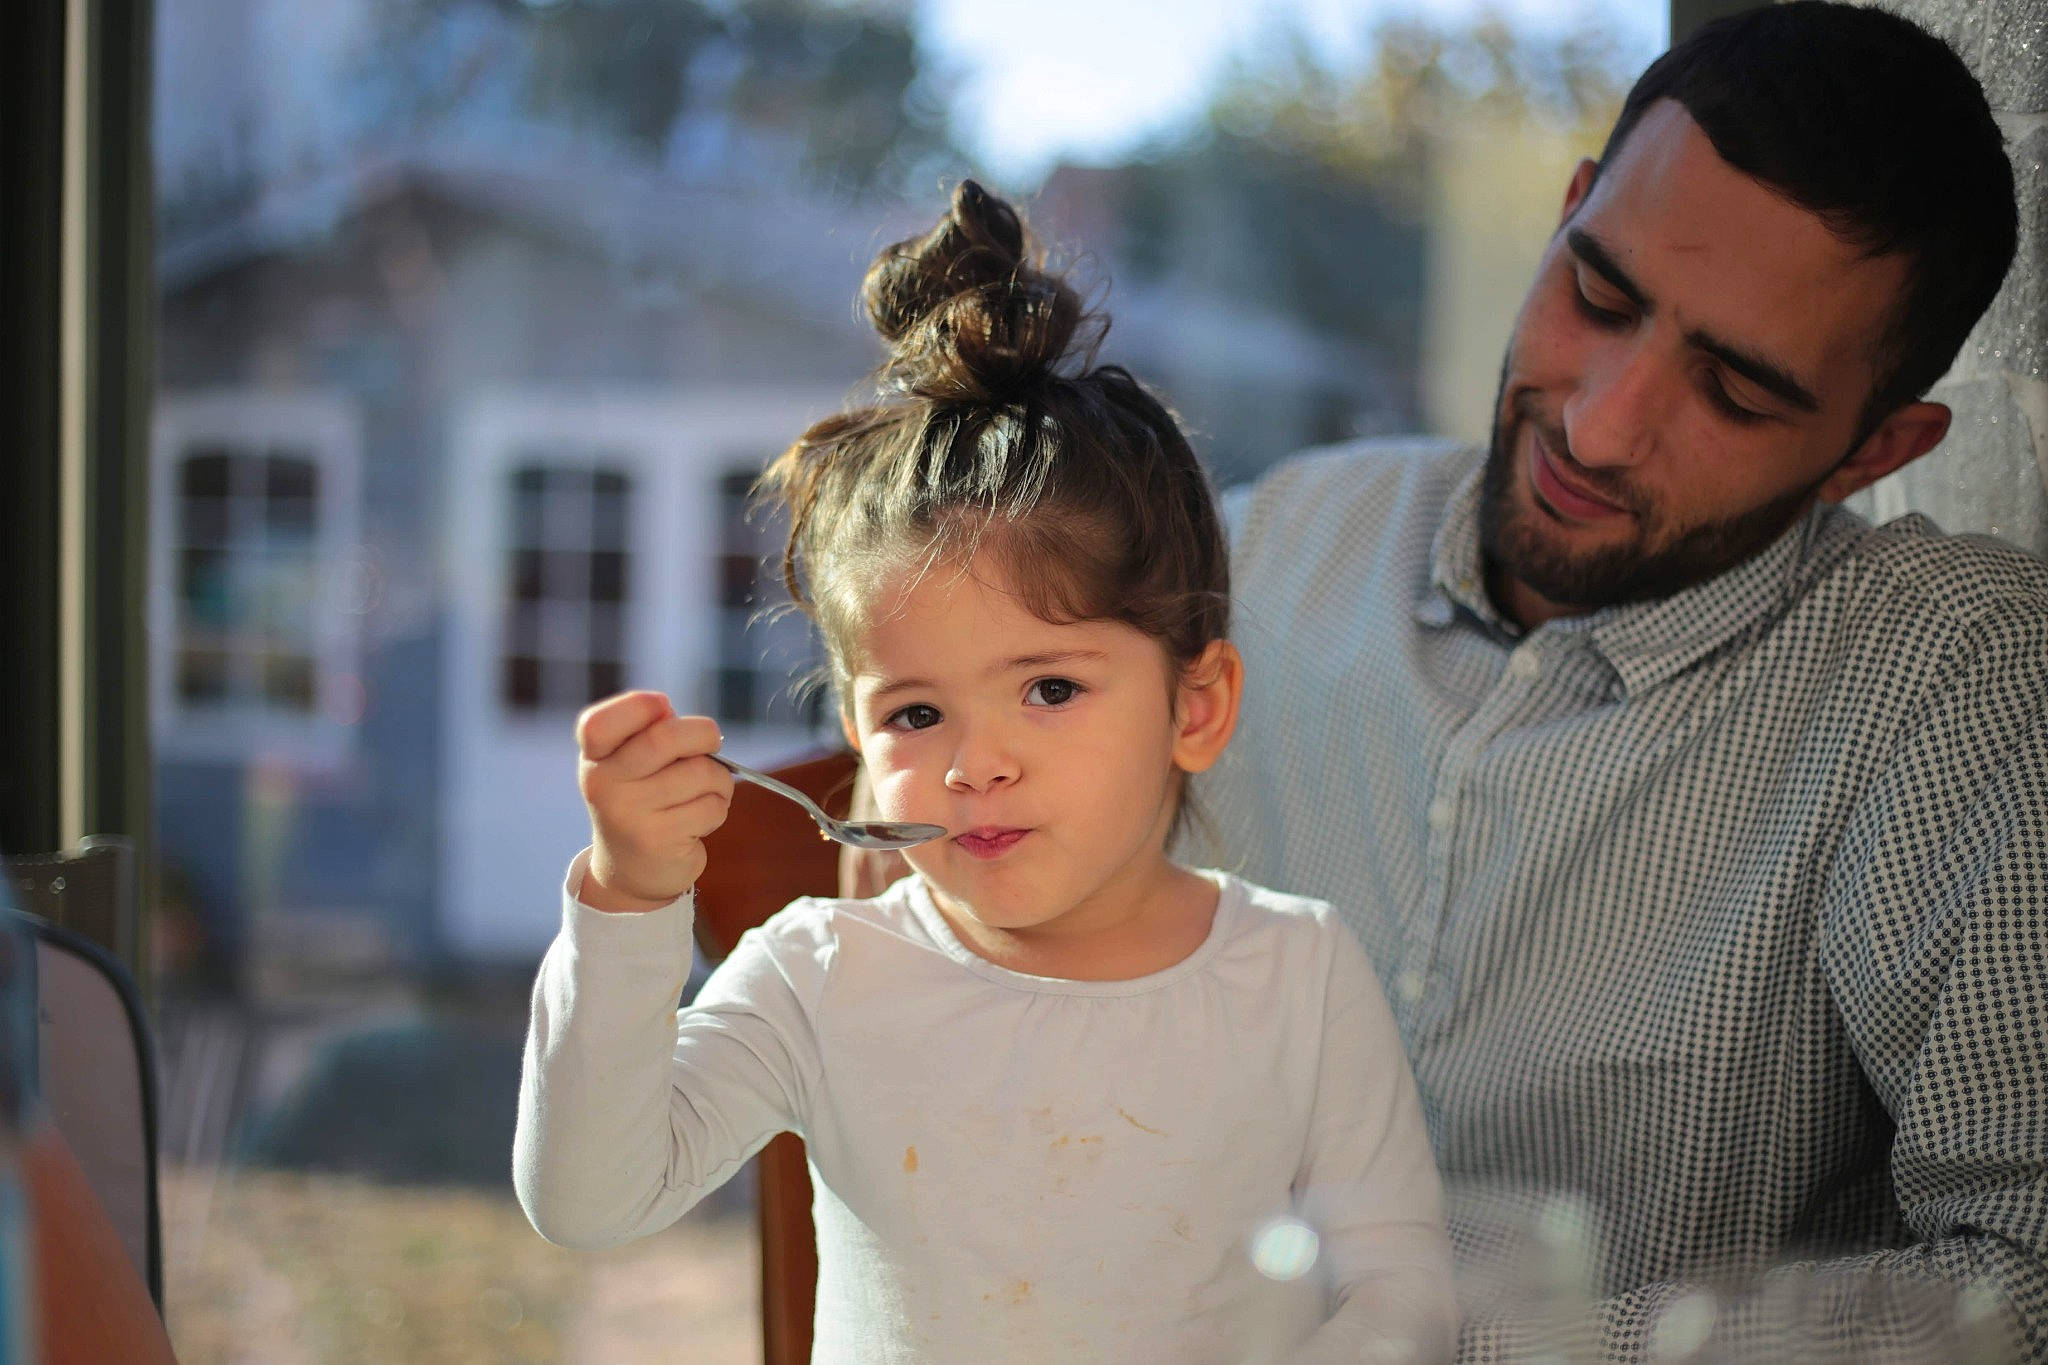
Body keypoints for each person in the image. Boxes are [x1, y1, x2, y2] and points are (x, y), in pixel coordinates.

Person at [1186, 3, 2044, 1360]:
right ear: (1572, 209)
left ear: (1876, 448)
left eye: (1739, 394)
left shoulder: (1941, 679)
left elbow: (2028, 1279)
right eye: (1601, 296)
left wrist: (1504, 1343)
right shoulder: (1270, 547)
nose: (1600, 422)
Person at [512, 182, 1460, 1362]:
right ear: (858, 740)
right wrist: (629, 897)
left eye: (1049, 689)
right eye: (916, 711)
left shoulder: (1298, 975)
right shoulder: (821, 977)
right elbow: (589, 1199)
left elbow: (1398, 1290)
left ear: (1195, 704)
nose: (977, 763)